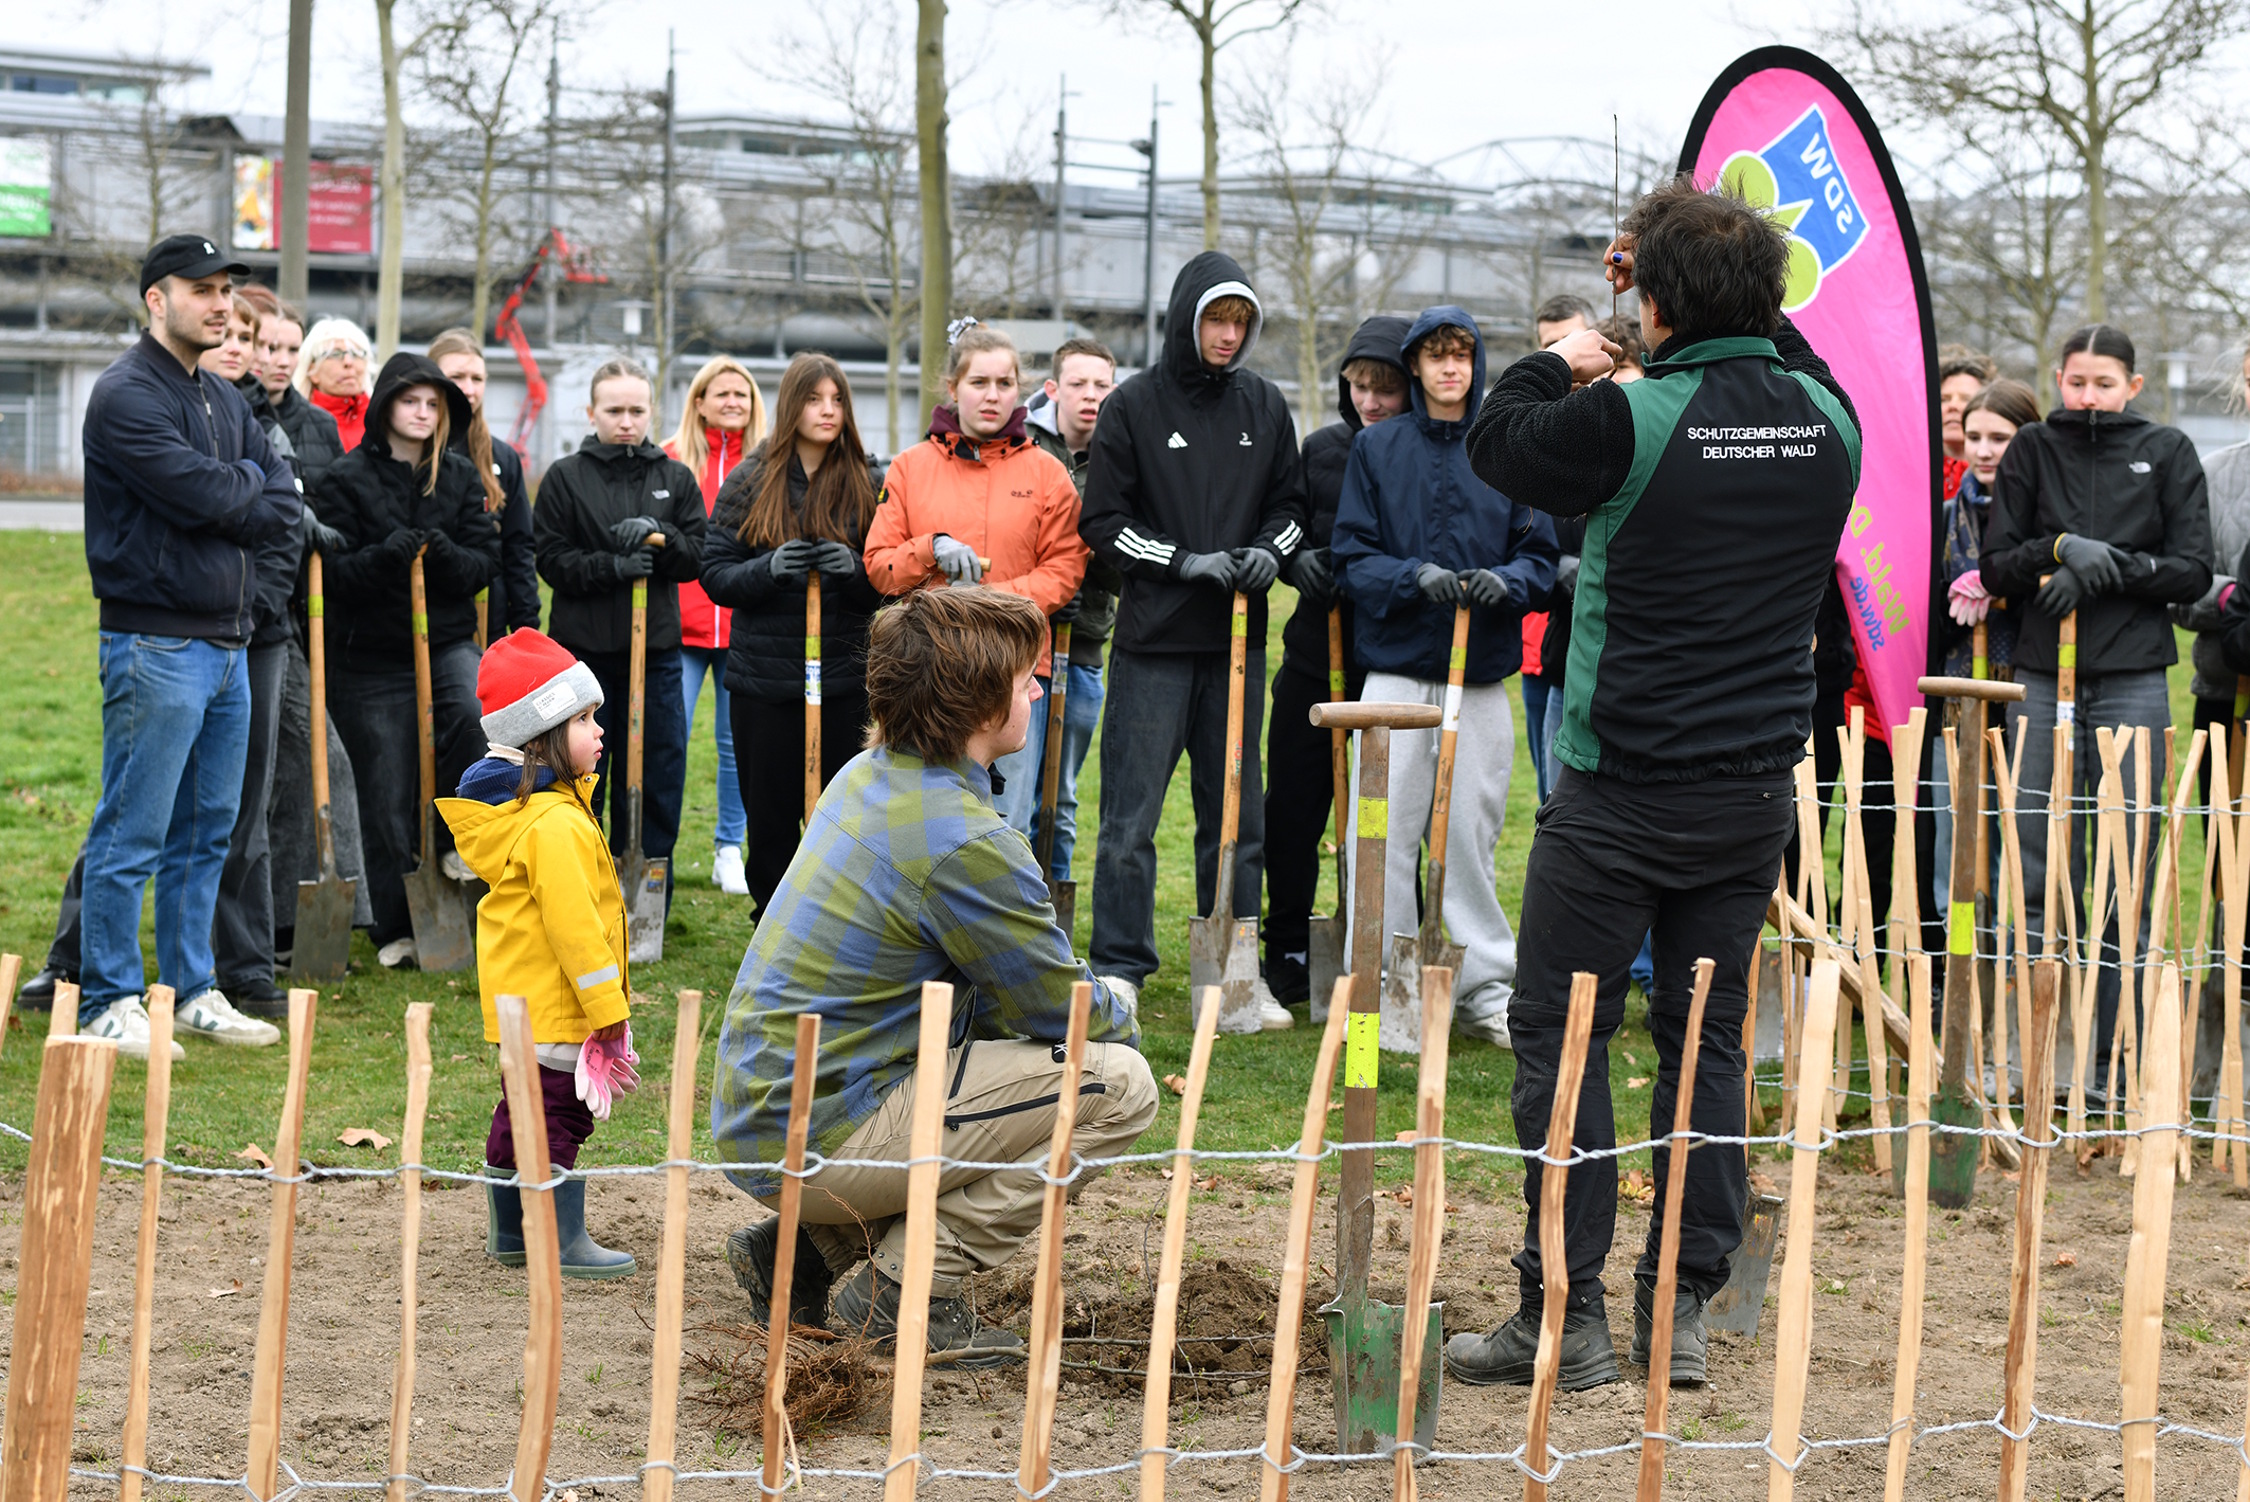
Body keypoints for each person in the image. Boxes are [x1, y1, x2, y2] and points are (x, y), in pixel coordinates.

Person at [1455, 177, 1862, 1389]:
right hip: (1752, 793)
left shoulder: (1629, 417)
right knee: (1706, 1040)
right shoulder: (1830, 418)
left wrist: (1567, 353)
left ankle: (1564, 1313)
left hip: (1619, 792)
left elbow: (1498, 441)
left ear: (1656, 302)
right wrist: (1693, 283)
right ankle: (1678, 1305)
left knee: (1562, 1034)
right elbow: (1780, 344)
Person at [710, 587, 1156, 1361]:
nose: (1038, 691)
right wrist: (1119, 1006)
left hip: (766, 1113)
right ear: (981, 708)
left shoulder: (866, 773)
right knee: (1118, 1086)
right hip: (823, 1131)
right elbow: (1058, 1011)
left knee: (993, 1080)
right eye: (1025, 680)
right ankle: (904, 1293)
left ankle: (802, 1252)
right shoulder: (966, 842)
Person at [76, 234, 304, 1056]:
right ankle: (106, 998)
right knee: (132, 830)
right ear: (156, 299)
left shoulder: (222, 397)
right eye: (200, 289)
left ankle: (190, 988)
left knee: (208, 830)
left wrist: (240, 493)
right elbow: (213, 496)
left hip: (228, 644)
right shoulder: (126, 394)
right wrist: (244, 490)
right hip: (155, 644)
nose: (219, 304)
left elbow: (281, 499)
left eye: (224, 290)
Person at [1078, 251, 1308, 1027]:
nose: (1228, 335)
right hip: (1153, 647)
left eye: (1240, 322)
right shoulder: (1132, 407)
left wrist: (1268, 552)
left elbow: (1292, 508)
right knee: (1129, 822)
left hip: (1238, 644)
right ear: (1187, 318)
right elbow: (1104, 523)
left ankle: (1234, 972)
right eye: (1216, 319)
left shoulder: (1265, 406)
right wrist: (1184, 562)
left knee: (1239, 819)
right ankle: (1120, 968)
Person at [1983, 325, 2212, 1100]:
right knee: (2038, 862)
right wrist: (2057, 550)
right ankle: (2037, 1054)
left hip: (2133, 677)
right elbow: (1997, 563)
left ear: (2132, 387)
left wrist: (2111, 567)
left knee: (2123, 869)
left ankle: (2115, 1059)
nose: (2088, 397)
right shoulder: (2032, 450)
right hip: (2044, 677)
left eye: (2104, 384)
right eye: (2077, 382)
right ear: (2058, 378)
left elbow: (2191, 569)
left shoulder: (2167, 451)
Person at [1333, 308, 1558, 1046]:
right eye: (1436, 356)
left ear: (1477, 362)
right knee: (1382, 834)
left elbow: (1539, 555)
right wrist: (1411, 577)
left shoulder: (1508, 447)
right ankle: (1384, 989)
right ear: (1416, 367)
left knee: (1468, 836)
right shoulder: (1377, 448)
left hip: (1479, 676)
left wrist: (1509, 581)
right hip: (1396, 677)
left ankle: (1484, 987)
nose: (1450, 368)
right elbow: (1353, 556)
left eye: (1461, 354)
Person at [438, 629, 637, 1279]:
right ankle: (556, 1237)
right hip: (555, 1005)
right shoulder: (553, 823)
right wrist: (607, 1009)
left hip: (519, 1005)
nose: (599, 730)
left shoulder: (531, 813)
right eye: (583, 719)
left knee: (518, 1109)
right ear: (539, 738)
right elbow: (575, 929)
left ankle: (510, 1231)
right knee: (558, 1114)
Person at [312, 353, 499, 968]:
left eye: (433, 405)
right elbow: (332, 574)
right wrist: (381, 558)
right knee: (386, 788)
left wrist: (446, 555)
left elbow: (484, 564)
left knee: (473, 712)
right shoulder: (344, 479)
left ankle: (454, 841)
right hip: (370, 656)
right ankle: (395, 924)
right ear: (385, 405)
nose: (422, 413)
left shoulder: (459, 477)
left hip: (444, 641)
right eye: (410, 401)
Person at [864, 322, 1088, 838]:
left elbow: (1064, 569)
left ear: (1019, 389)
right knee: (915, 818)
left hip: (1014, 673)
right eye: (979, 382)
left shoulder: (1047, 473)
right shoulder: (910, 467)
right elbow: (879, 564)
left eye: (1004, 383)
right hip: (925, 670)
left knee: (1003, 824)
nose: (992, 396)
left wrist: (985, 605)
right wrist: (930, 548)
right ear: (952, 387)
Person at [700, 353, 883, 915]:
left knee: (848, 820)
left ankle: (840, 931)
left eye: (837, 400)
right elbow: (715, 574)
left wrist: (855, 571)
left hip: (846, 679)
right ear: (790, 406)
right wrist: (767, 569)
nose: (828, 411)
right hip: (766, 684)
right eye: (813, 399)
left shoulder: (869, 481)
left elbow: (892, 581)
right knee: (772, 823)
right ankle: (772, 929)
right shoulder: (751, 479)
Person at [1261, 315, 1408, 1006]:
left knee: (1386, 818)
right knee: (1294, 811)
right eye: (1359, 387)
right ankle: (1287, 942)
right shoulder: (1321, 449)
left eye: (1385, 388)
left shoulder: (1419, 453)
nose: (1370, 402)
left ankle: (1379, 941)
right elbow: (1285, 517)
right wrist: (1296, 561)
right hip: (1315, 659)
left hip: (1388, 665)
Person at [534, 359, 709, 893]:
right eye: (614, 410)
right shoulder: (566, 477)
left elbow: (696, 556)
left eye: (636, 410)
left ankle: (648, 888)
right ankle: (581, 886)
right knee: (581, 776)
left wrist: (661, 534)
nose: (626, 421)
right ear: (591, 412)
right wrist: (614, 566)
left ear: (652, 410)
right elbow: (552, 559)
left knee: (658, 771)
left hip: (654, 655)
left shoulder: (674, 477)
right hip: (581, 661)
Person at [1928, 376, 2039, 927]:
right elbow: (1921, 623)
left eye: (2000, 438)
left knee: (2023, 835)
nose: (1985, 450)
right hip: (1957, 698)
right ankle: (1960, 950)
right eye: (1974, 437)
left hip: (2028, 694)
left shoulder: (2044, 517)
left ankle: (2013, 950)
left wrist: (2005, 588)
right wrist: (1954, 602)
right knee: (1956, 833)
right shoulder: (1943, 517)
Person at [1524, 313, 1646, 808]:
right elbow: (1533, 543)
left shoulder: (1660, 454)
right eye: (1599, 383)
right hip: (1567, 668)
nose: (1612, 396)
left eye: (1625, 377)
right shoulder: (1573, 454)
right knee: (1558, 805)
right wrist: (1559, 567)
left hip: (1637, 679)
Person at [1023, 337, 1123, 890]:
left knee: (1059, 795)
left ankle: (1052, 900)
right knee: (1014, 791)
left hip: (1081, 648)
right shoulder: (1023, 444)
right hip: (1020, 646)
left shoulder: (1124, 449)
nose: (1090, 395)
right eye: (1078, 384)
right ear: (1053, 389)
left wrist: (1095, 575)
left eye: (1101, 385)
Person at [666, 355, 767, 897]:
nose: (732, 402)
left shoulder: (769, 465)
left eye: (741, 394)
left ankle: (729, 848)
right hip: (681, 628)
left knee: (735, 746)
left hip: (744, 626)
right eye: (721, 393)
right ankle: (661, 844)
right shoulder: (672, 460)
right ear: (699, 402)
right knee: (672, 738)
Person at [428, 329, 539, 642]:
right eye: (456, 377)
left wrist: (526, 625)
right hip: (425, 616)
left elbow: (518, 547)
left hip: (488, 618)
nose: (468, 389)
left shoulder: (502, 457)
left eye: (477, 379)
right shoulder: (413, 451)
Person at [2174, 343, 2250, 795]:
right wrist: (2231, 599)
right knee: (2227, 835)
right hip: (2227, 694)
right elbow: (2179, 586)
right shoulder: (2214, 476)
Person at [295, 317, 373, 452]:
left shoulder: (385, 420)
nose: (348, 362)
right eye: (335, 354)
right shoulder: (295, 423)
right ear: (312, 370)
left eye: (356, 354)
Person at [1938, 344, 1998, 501]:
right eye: (1944, 399)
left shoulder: (2003, 474)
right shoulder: (1911, 469)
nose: (1953, 406)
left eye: (1966, 399)